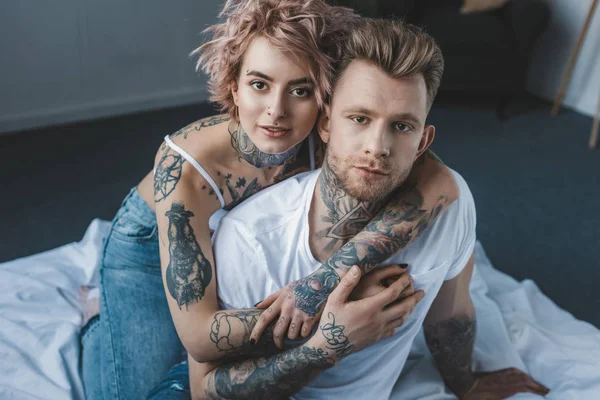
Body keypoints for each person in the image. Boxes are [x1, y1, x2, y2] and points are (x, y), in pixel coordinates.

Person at [153, 18, 550, 400]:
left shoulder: (449, 203)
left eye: (402, 127)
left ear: (424, 141)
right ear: (325, 124)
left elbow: (451, 317)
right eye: (360, 119)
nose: (377, 146)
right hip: (153, 237)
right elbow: (205, 384)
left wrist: (465, 384)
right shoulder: (247, 239)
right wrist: (329, 343)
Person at [80, 1, 458, 399]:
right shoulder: (185, 164)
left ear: (326, 101)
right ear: (234, 88)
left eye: (301, 90)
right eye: (260, 84)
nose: (276, 112)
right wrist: (334, 317)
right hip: (144, 249)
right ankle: (94, 317)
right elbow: (200, 339)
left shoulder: (326, 128)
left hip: (229, 253)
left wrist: (319, 284)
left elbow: (439, 180)